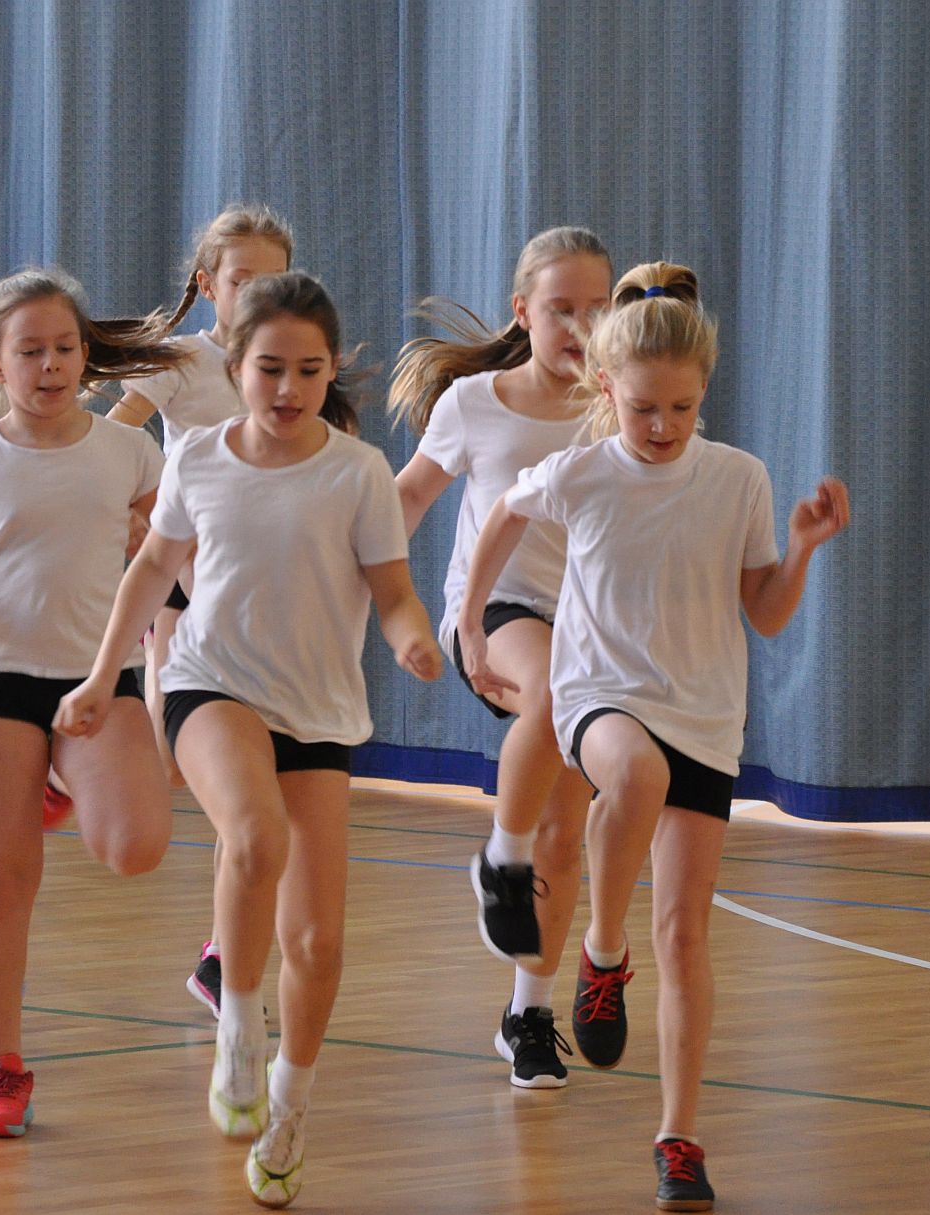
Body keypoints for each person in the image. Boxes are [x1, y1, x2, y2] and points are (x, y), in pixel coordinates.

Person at [461, 263, 849, 1211]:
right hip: (600, 695)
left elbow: (764, 612)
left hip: (706, 715)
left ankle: (679, 1137)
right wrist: (470, 618)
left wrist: (801, 548)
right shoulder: (583, 471)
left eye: (681, 407)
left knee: (683, 933)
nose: (663, 425)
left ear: (704, 390)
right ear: (607, 388)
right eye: (643, 408)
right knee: (631, 774)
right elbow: (502, 514)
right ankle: (600, 948)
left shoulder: (738, 478)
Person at [57, 271, 442, 1207]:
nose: (288, 387)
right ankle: (237, 1020)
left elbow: (392, 590)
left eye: (308, 370)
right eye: (270, 367)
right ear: (235, 365)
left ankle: (288, 1111)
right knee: (255, 835)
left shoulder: (357, 472)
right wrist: (103, 675)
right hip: (210, 682)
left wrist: (413, 637)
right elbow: (153, 567)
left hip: (317, 710)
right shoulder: (198, 457)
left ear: (331, 370)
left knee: (317, 940)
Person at [0, 268, 182, 1137]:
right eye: (31, 351)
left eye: (65, 348)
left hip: (98, 677)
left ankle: (57, 779)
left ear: (86, 358)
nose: (51, 364)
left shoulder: (130, 453)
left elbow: (169, 557)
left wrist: (154, 542)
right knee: (1, 877)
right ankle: (4, 1068)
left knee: (136, 847)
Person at [391, 225, 615, 1089]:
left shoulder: (620, 403)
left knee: (566, 831)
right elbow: (409, 496)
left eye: (598, 309)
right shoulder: (473, 403)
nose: (580, 327)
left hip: (590, 627)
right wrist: (367, 588)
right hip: (493, 613)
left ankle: (529, 1013)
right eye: (562, 308)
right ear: (523, 311)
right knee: (550, 698)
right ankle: (498, 858)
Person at [108, 202, 295, 1019]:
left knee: (247, 779)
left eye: (273, 280)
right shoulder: (183, 359)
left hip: (258, 581)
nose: (258, 294)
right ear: (209, 285)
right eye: (242, 279)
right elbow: (116, 431)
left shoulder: (288, 362)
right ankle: (73, 769)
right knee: (174, 757)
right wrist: (133, 506)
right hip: (183, 567)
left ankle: (223, 953)